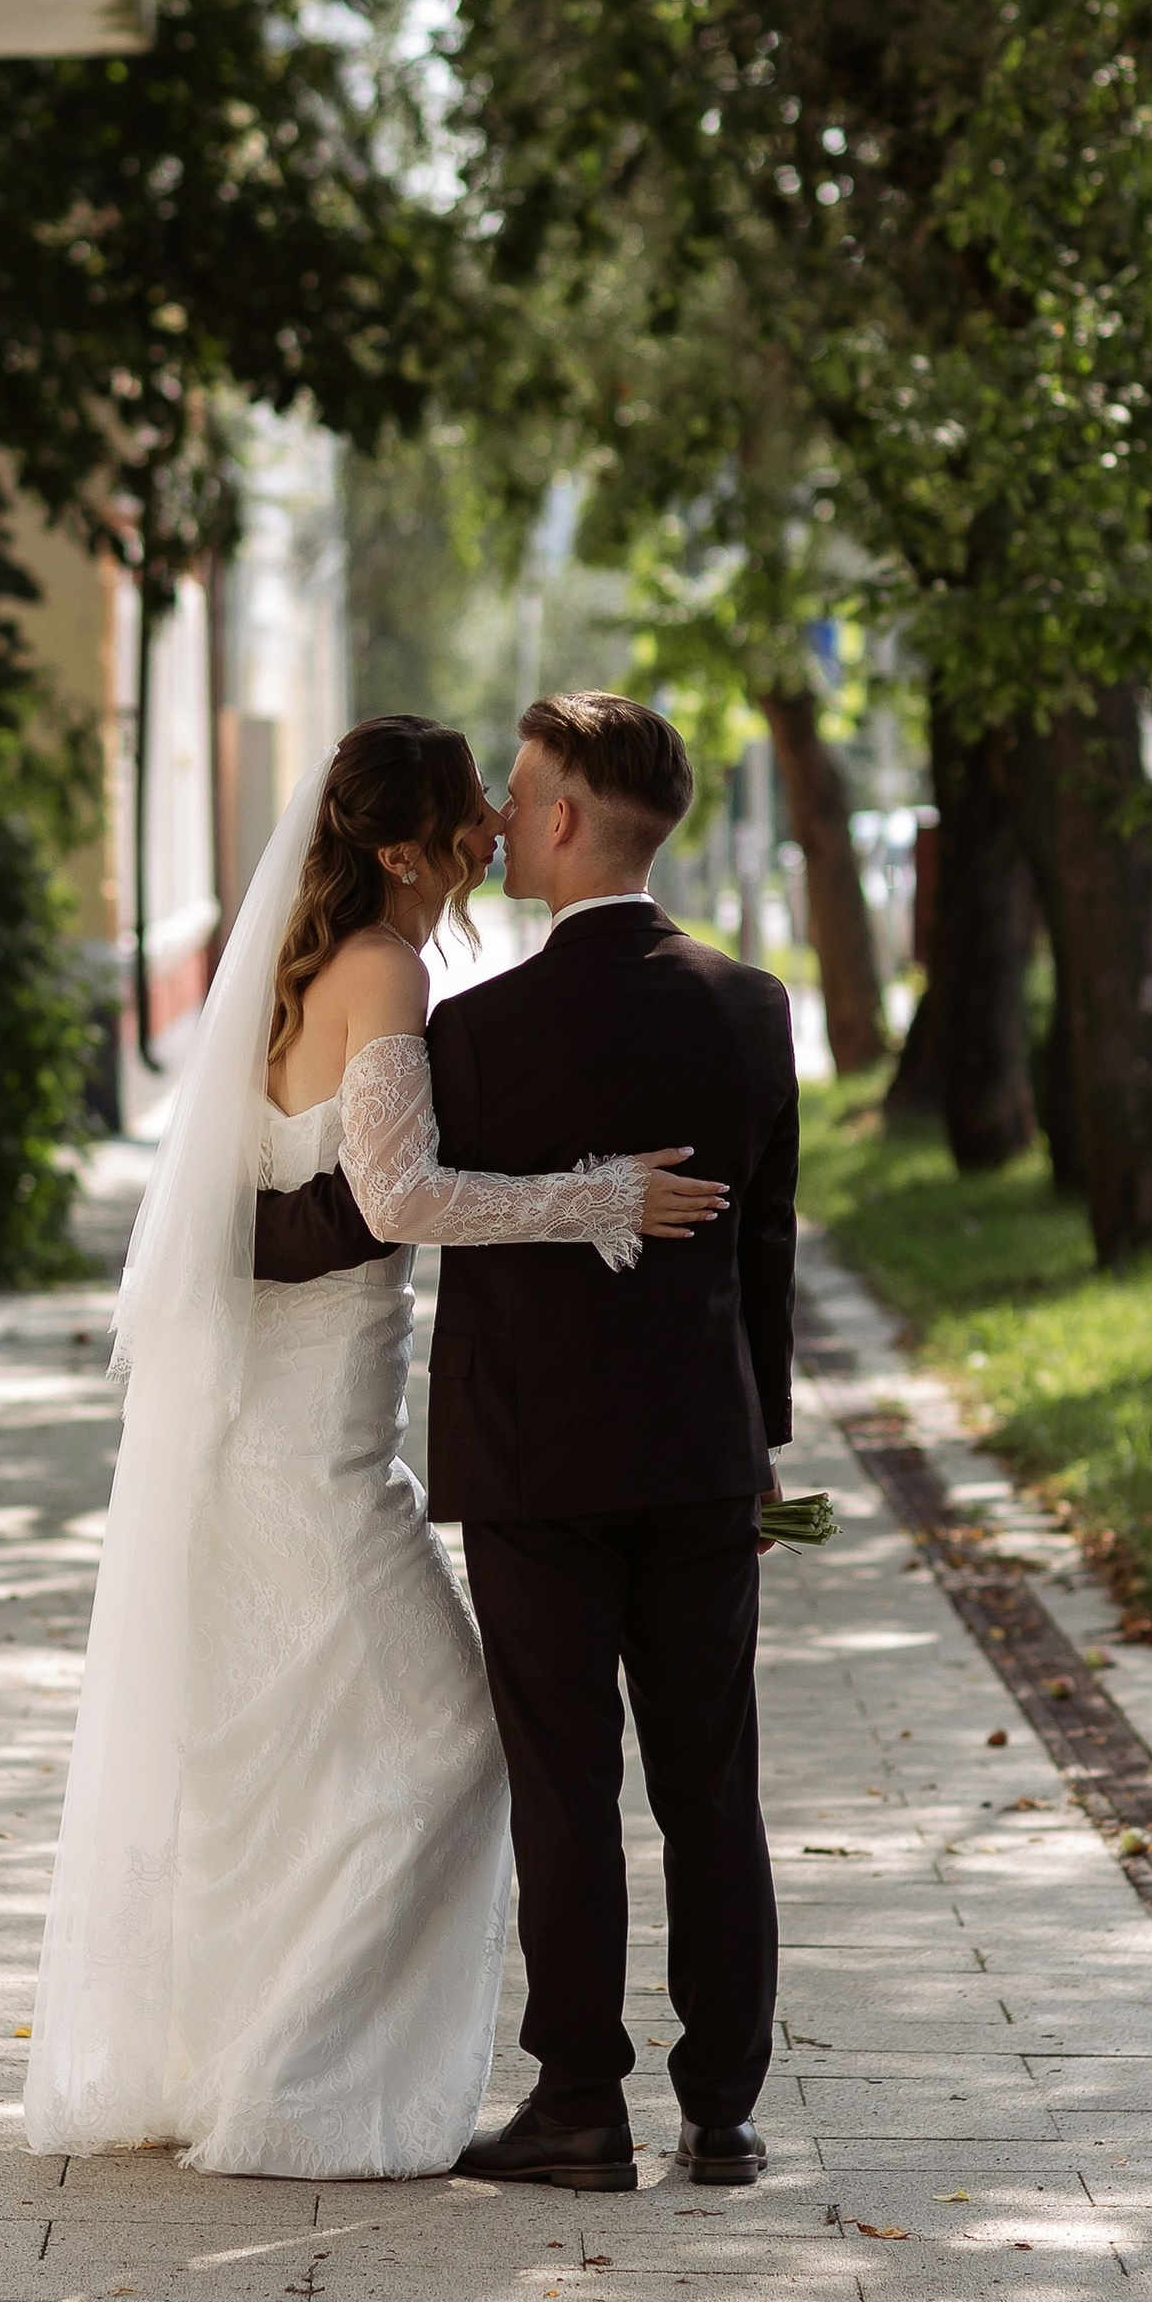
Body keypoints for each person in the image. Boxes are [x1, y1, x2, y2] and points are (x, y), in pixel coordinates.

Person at [22, 714, 724, 2180]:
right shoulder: (387, 970)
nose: (493, 822)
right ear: (402, 849)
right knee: (453, 1746)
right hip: (313, 1459)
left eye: (502, 798)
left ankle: (264, 2052)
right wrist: (590, 1197)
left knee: (306, 1762)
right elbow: (396, 1200)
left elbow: (298, 1203)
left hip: (280, 1437)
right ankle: (294, 2077)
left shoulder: (303, 972)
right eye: (472, 807)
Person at [254, 691, 800, 2194]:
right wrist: (764, 1451)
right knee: (712, 1781)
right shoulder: (752, 1008)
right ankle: (725, 2108)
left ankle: (578, 2103)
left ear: (562, 819)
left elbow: (379, 1201)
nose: (499, 816)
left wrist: (212, 1249)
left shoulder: (477, 1028)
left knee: (566, 1783)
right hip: (700, 1459)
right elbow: (769, 1250)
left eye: (519, 791)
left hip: (532, 1466)